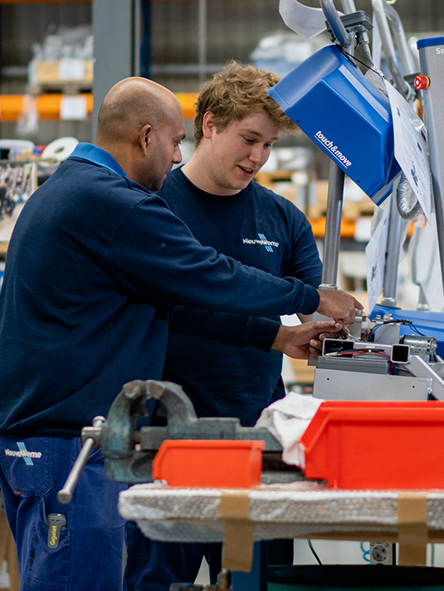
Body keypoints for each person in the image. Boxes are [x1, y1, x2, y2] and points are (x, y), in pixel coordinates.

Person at [0, 76, 361, 591]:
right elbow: (207, 275)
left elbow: (169, 306)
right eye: (174, 143)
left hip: (55, 440)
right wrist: (311, 296)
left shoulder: (72, 186)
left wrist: (275, 338)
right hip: (69, 443)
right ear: (147, 137)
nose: (174, 157)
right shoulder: (117, 203)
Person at [123, 62, 347, 591]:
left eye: (268, 146)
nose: (258, 158)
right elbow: (171, 311)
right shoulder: (154, 207)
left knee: (261, 581)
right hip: (169, 435)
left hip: (259, 439)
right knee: (156, 580)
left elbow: (310, 312)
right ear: (209, 124)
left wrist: (334, 335)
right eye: (249, 139)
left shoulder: (284, 219)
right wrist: (276, 332)